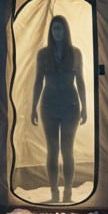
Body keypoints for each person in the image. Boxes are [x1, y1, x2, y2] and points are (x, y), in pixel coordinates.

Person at [30, 15, 87, 203]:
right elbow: (38, 80)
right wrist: (33, 107)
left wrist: (85, 107)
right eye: (54, 28)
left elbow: (80, 81)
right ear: (51, 31)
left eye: (60, 28)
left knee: (67, 149)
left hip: (70, 106)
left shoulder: (75, 53)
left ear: (66, 31)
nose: (57, 32)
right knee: (52, 150)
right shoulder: (43, 54)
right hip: (48, 106)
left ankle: (68, 192)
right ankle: (54, 191)